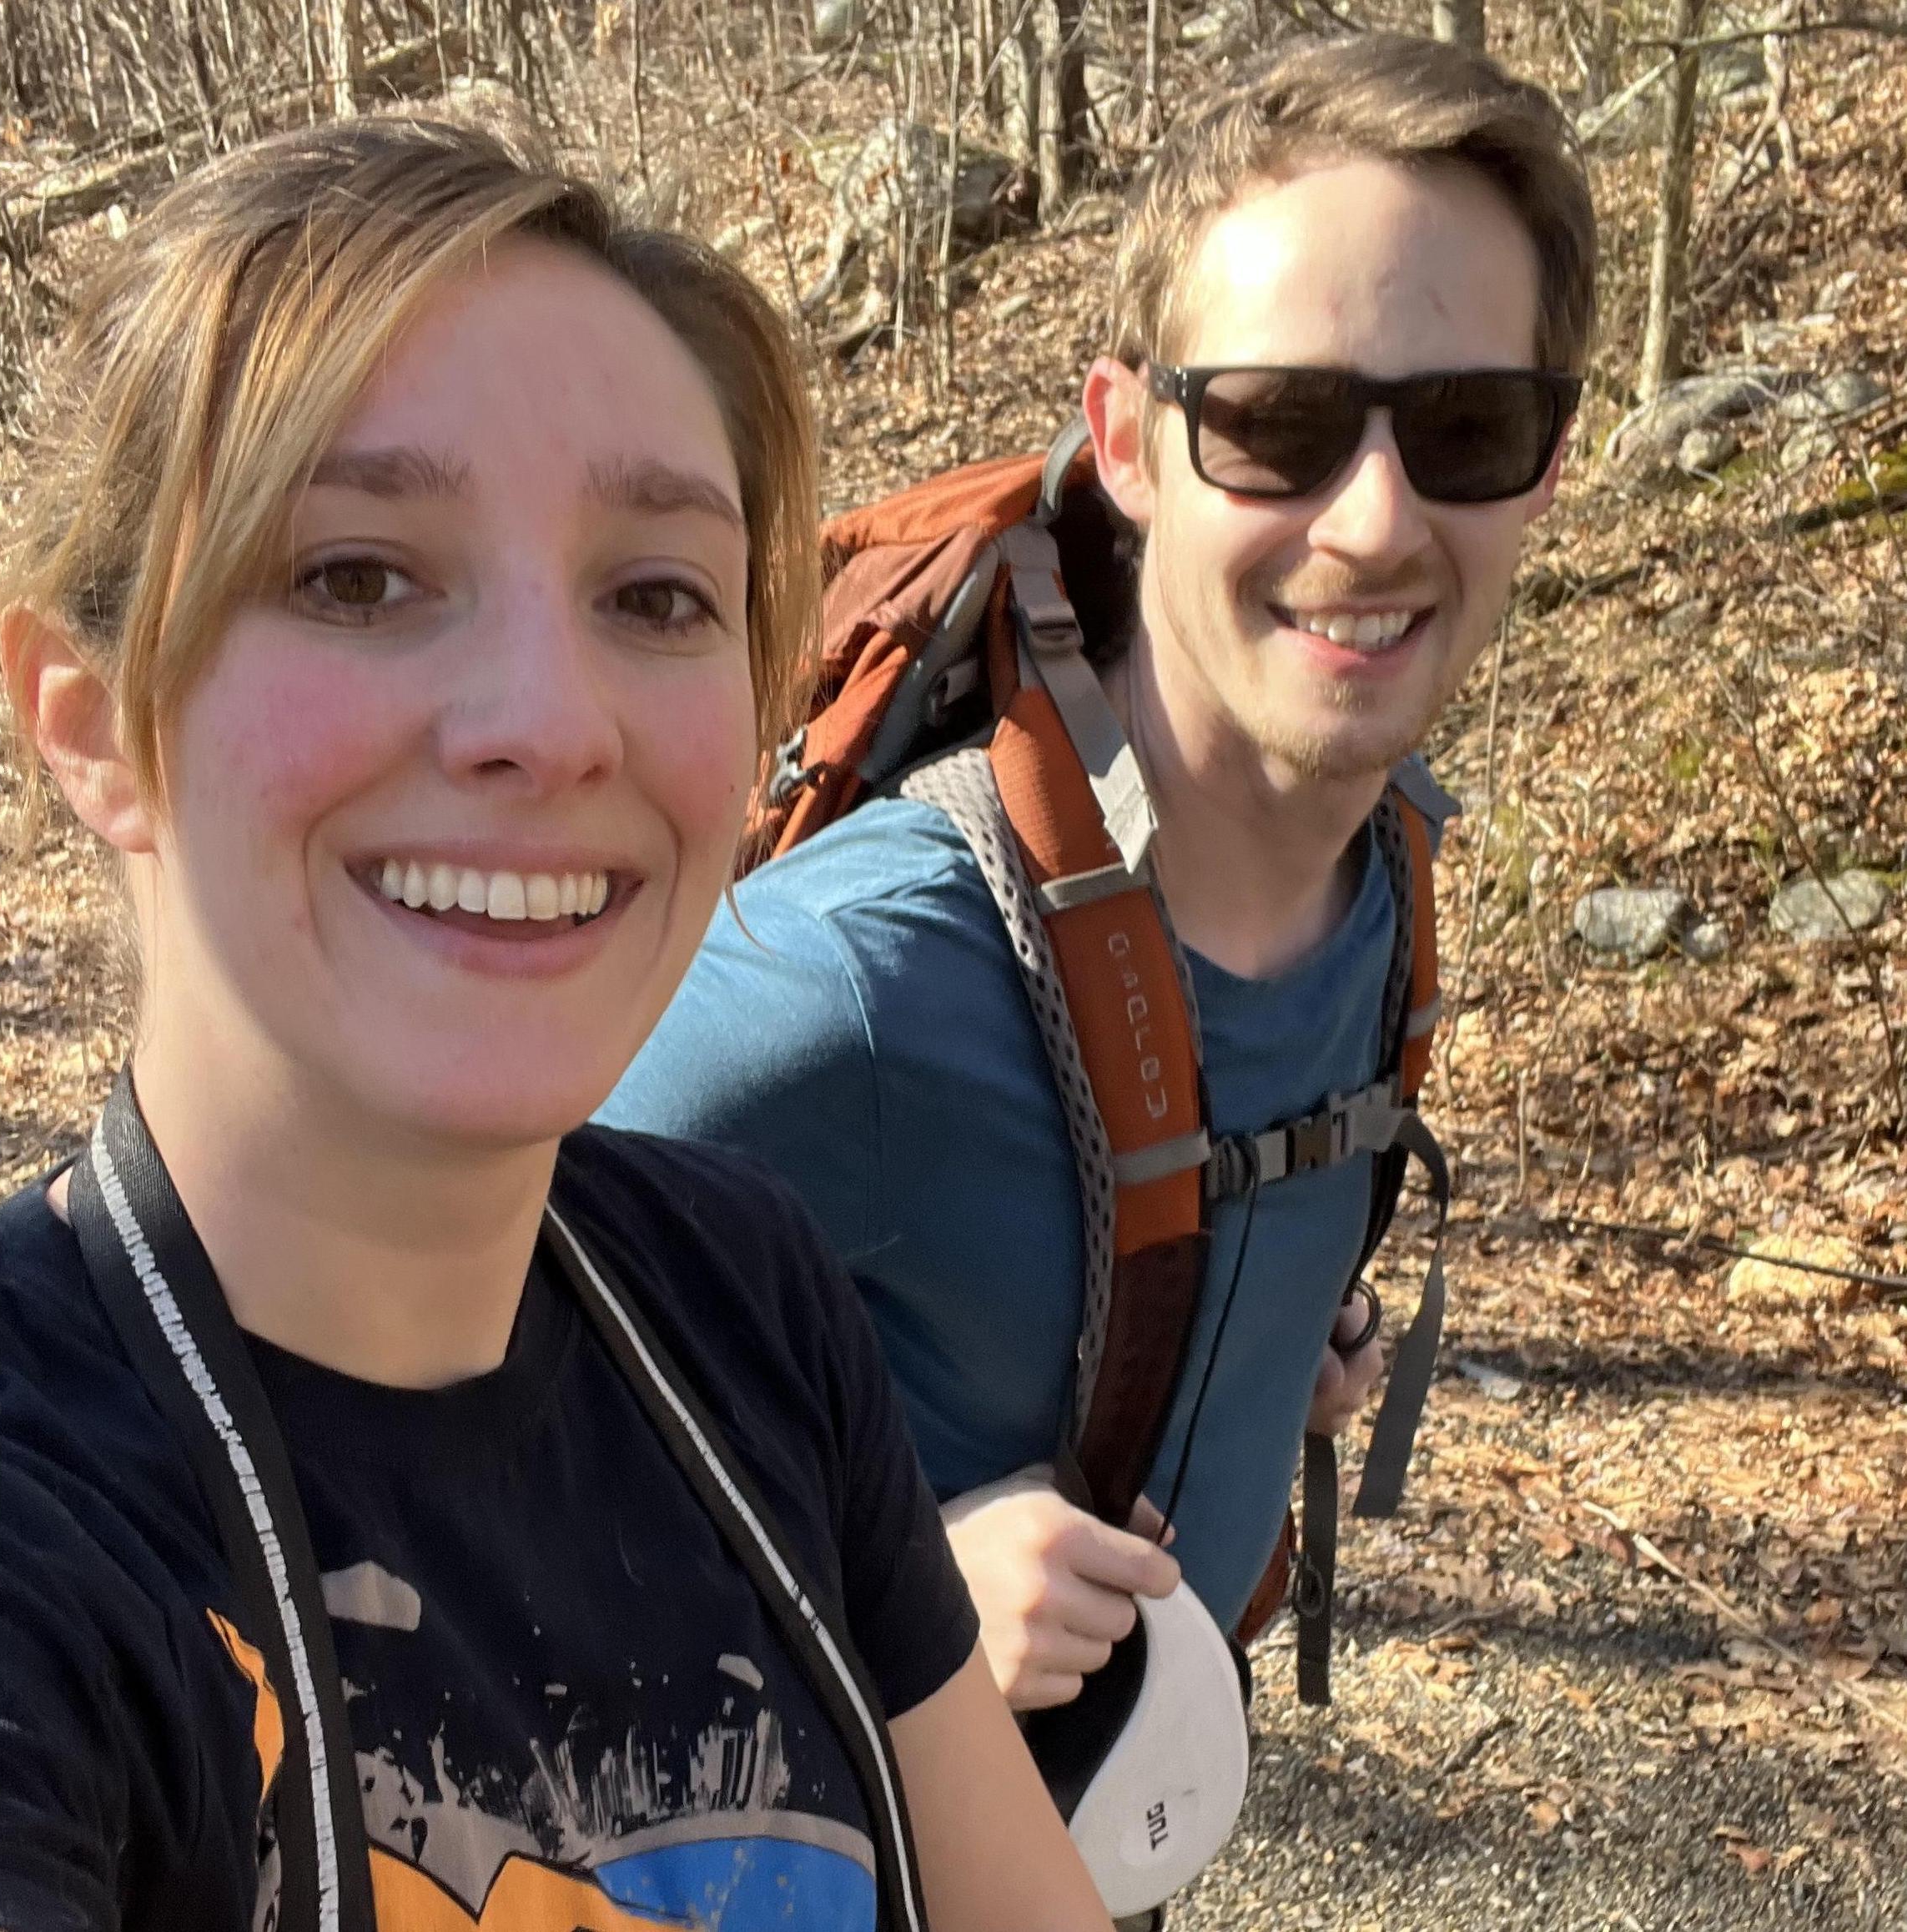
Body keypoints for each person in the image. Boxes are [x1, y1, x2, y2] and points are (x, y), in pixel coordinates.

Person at [0, 117, 1112, 1932]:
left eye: (656, 596)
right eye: (359, 576)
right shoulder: (21, 1523)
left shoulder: (743, 1300)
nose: (551, 721)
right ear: (93, 721)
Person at [603, 32, 1597, 1713]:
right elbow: (423, 1428)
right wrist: (886, 1600)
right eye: (1276, 423)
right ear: (1129, 444)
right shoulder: (861, 974)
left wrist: (1266, 1336)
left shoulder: (1387, 879)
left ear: (1549, 463)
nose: (1374, 521)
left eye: (1468, 425)